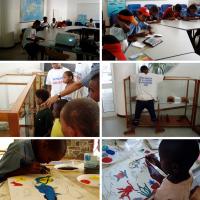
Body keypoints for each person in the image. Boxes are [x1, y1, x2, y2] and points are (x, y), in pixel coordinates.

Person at [0, 140, 66, 182]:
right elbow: (1, 177)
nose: (48, 162)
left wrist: (38, 168)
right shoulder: (18, 149)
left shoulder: (37, 150)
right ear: (44, 145)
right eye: (49, 158)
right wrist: (24, 170)